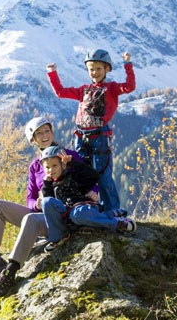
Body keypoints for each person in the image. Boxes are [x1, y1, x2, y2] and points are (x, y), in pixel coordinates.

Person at [0, 116, 89, 297]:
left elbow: (88, 177)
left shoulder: (68, 156)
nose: (44, 135)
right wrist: (34, 202)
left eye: (47, 131)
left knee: (30, 218)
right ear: (33, 140)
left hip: (61, 216)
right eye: (39, 133)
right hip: (39, 213)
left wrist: (95, 191)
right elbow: (29, 197)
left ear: (52, 132)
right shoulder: (35, 166)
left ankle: (10, 271)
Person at [46, 49, 135, 214]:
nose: (94, 73)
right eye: (91, 69)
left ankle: (113, 211)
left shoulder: (112, 88)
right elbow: (60, 92)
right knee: (80, 173)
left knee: (102, 175)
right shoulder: (83, 90)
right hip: (81, 136)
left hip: (99, 136)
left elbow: (129, 87)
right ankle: (88, 208)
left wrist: (127, 65)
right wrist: (52, 73)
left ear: (107, 69)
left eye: (99, 69)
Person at [39, 145, 136, 252]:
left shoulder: (74, 176)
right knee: (46, 201)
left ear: (63, 164)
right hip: (66, 216)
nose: (51, 170)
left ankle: (116, 223)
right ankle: (58, 237)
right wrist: (46, 185)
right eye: (47, 167)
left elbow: (93, 176)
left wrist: (73, 163)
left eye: (54, 165)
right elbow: (49, 206)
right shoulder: (49, 184)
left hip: (82, 210)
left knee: (77, 215)